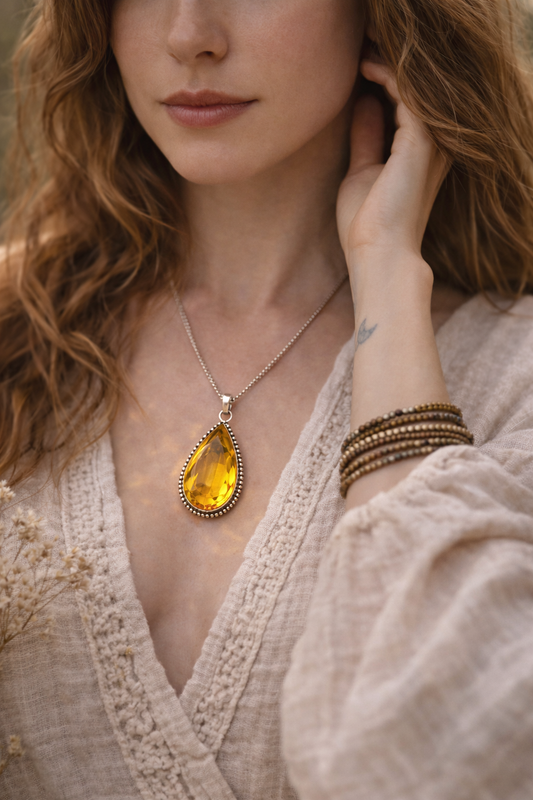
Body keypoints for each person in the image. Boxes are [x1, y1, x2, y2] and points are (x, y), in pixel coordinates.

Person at [1, 0, 533, 797]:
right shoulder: (14, 327)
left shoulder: (511, 377)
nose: (189, 36)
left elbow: (425, 765)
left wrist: (386, 274)